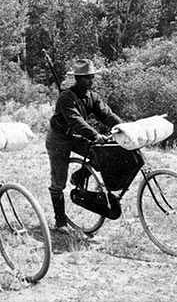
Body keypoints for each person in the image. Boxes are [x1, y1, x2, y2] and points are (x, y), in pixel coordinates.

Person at [46, 59, 122, 232]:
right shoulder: (66, 98)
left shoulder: (92, 96)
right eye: (87, 78)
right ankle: (60, 222)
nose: (91, 81)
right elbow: (76, 122)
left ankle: (80, 175)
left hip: (75, 136)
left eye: (92, 77)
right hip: (58, 139)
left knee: (100, 156)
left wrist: (124, 128)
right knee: (58, 181)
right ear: (78, 79)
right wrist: (96, 135)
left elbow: (107, 115)